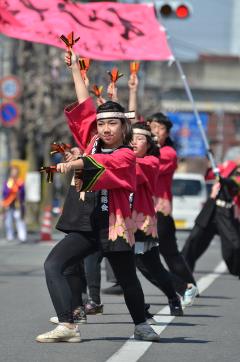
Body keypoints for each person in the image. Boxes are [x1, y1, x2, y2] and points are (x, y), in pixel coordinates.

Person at [36, 51, 160, 343]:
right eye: (102, 124)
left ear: (123, 126)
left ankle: (141, 324)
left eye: (112, 124)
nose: (105, 128)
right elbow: (84, 106)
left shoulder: (127, 154)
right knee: (54, 264)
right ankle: (68, 324)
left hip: (113, 225)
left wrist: (74, 163)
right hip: (87, 223)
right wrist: (76, 71)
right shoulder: (93, 141)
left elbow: (104, 166)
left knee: (127, 278)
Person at [131, 122, 183, 317]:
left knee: (153, 265)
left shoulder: (151, 162)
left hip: (141, 220)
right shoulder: (124, 158)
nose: (134, 142)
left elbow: (128, 168)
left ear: (149, 144)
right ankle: (140, 307)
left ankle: (173, 296)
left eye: (140, 138)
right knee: (125, 266)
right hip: (119, 219)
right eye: (131, 137)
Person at [182, 160, 240, 277]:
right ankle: (184, 278)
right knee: (192, 242)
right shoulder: (229, 165)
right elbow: (209, 176)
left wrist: (222, 179)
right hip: (211, 208)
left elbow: (234, 183)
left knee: (235, 246)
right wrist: (210, 167)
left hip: (227, 213)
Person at [1, 165, 27, 243]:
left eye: (16, 171)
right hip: (9, 204)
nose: (14, 173)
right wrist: (10, 191)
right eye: (13, 171)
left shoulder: (20, 181)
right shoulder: (8, 182)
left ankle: (22, 237)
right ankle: (10, 236)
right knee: (8, 221)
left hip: (18, 204)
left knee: (20, 220)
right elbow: (4, 193)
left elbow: (23, 193)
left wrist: (18, 192)